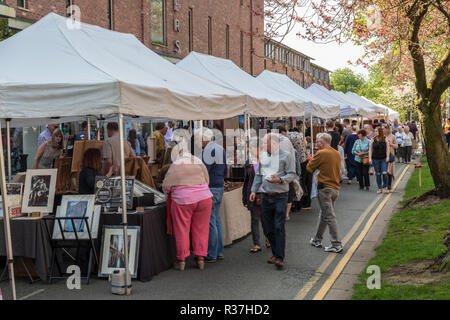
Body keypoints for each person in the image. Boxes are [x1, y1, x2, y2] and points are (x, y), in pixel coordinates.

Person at [162, 145, 213, 271]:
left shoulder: (175, 165)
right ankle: (200, 259)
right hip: (204, 197)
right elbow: (207, 180)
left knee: (182, 230)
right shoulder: (197, 160)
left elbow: (166, 187)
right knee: (202, 229)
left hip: (182, 200)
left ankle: (182, 260)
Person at [249, 133, 295, 270]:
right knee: (268, 228)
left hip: (280, 195)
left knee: (278, 226)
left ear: (274, 144)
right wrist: (253, 190)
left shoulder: (286, 156)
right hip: (265, 196)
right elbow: (259, 175)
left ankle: (280, 258)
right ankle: (275, 253)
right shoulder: (263, 156)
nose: (262, 146)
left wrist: (280, 180)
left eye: (264, 143)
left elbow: (292, 174)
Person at [307, 133, 343, 253]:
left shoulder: (321, 153)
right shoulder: (336, 153)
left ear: (321, 143)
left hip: (325, 188)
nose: (316, 144)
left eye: (317, 142)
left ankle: (336, 243)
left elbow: (309, 168)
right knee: (324, 214)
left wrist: (311, 160)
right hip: (335, 189)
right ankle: (317, 239)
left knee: (329, 216)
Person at [201, 129, 227, 263]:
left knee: (211, 221)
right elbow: (225, 168)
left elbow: (204, 170)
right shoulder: (220, 148)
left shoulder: (207, 150)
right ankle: (219, 251)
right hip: (219, 185)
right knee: (216, 219)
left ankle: (212, 253)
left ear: (204, 139)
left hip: (210, 186)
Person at [242, 138, 263, 253]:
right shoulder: (248, 162)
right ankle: (256, 243)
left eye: (254, 147)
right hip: (253, 194)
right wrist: (245, 197)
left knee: (266, 219)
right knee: (254, 219)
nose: (251, 150)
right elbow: (246, 180)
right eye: (250, 148)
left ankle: (269, 238)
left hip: (265, 193)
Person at [288, 123, 310, 211]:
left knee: (297, 184)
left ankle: (297, 204)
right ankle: (301, 204)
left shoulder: (290, 140)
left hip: (298, 164)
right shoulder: (300, 136)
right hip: (304, 161)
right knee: (301, 183)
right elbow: (305, 145)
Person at [277, 126, 296, 221]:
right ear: (283, 131)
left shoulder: (271, 139)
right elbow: (292, 156)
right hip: (288, 170)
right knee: (288, 192)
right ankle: (286, 214)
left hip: (276, 172)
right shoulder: (287, 141)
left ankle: (279, 213)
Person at [369, 127, 390, 194]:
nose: (375, 132)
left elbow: (388, 148)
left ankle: (386, 187)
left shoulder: (385, 138)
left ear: (380, 131)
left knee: (384, 173)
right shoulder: (373, 139)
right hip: (375, 159)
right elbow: (370, 150)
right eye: (374, 131)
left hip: (383, 158)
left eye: (376, 131)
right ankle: (379, 188)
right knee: (378, 174)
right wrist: (370, 158)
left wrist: (387, 156)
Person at [384, 126, 398, 191]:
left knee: (389, 171)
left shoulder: (393, 136)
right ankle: (385, 184)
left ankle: (389, 185)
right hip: (383, 155)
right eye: (385, 129)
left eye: (388, 129)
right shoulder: (383, 136)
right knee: (384, 171)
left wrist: (391, 144)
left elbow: (396, 146)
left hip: (390, 155)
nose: (385, 130)